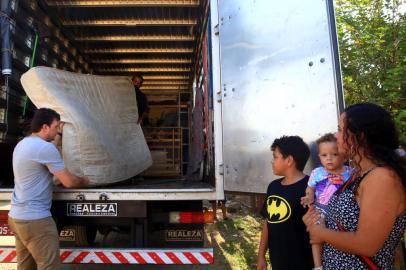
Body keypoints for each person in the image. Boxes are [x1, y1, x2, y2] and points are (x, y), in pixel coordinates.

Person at [303, 103, 406, 269]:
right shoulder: (357, 173)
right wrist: (315, 220)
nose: (336, 135)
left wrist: (320, 233)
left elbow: (367, 245)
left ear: (360, 136)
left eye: (340, 129)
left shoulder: (382, 178)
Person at [8, 108, 89, 270]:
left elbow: (46, 152)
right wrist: (85, 180)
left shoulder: (23, 144)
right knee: (50, 266)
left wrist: (58, 136)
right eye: (56, 126)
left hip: (17, 217)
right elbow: (69, 182)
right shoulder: (45, 149)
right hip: (36, 221)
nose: (58, 129)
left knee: (26, 267)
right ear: (45, 127)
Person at [257, 135, 313, 270]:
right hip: (277, 262)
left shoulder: (310, 188)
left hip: (303, 263)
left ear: (289, 160)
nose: (272, 161)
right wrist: (261, 255)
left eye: (275, 157)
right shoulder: (273, 186)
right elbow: (268, 222)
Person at [300, 133, 352, 269]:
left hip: (341, 212)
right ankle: (318, 266)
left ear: (344, 156)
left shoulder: (351, 173)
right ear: (319, 157)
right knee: (316, 236)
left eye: (334, 154)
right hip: (320, 209)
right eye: (324, 155)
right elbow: (310, 187)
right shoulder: (317, 172)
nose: (329, 158)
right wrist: (309, 196)